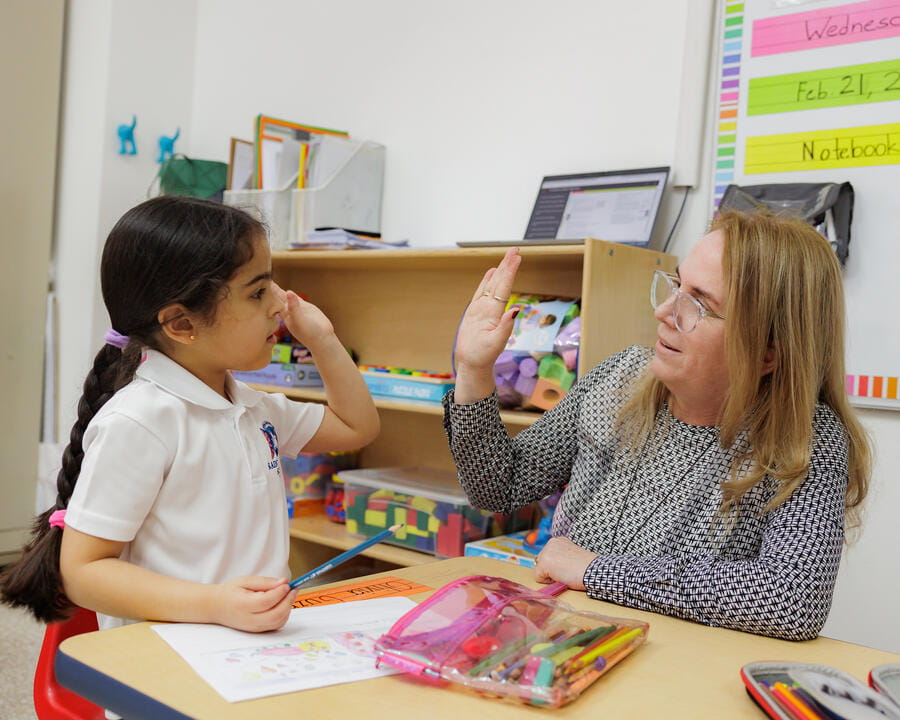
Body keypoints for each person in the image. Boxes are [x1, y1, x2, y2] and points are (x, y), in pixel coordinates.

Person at [444, 210, 870, 641]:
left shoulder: (806, 439)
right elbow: (499, 485)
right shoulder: (620, 377)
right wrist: (474, 371)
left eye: (699, 305)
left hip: (679, 663)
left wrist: (595, 571)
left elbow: (792, 599)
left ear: (767, 354)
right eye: (676, 286)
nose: (665, 311)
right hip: (568, 642)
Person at [1, 195, 379, 633]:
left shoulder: (252, 407)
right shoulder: (141, 421)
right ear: (181, 324)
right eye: (258, 292)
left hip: (247, 644)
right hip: (164, 657)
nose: (280, 303)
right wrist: (215, 604)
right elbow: (84, 572)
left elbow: (356, 427)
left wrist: (324, 340)